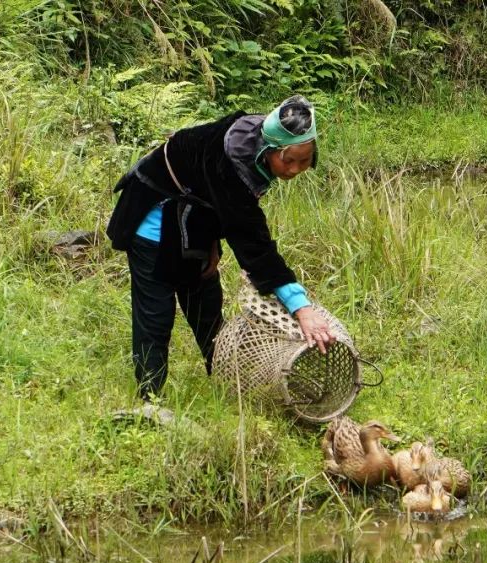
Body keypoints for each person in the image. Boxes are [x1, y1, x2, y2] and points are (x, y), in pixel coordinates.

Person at [106, 95, 335, 401]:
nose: (294, 169)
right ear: (268, 149)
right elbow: (254, 242)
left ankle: (230, 389)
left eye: (304, 161)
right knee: (156, 315)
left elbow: (213, 199)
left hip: (193, 220)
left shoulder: (257, 140)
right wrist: (301, 307)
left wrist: (212, 243)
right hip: (154, 219)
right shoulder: (231, 163)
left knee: (206, 306)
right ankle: (149, 400)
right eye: (288, 159)